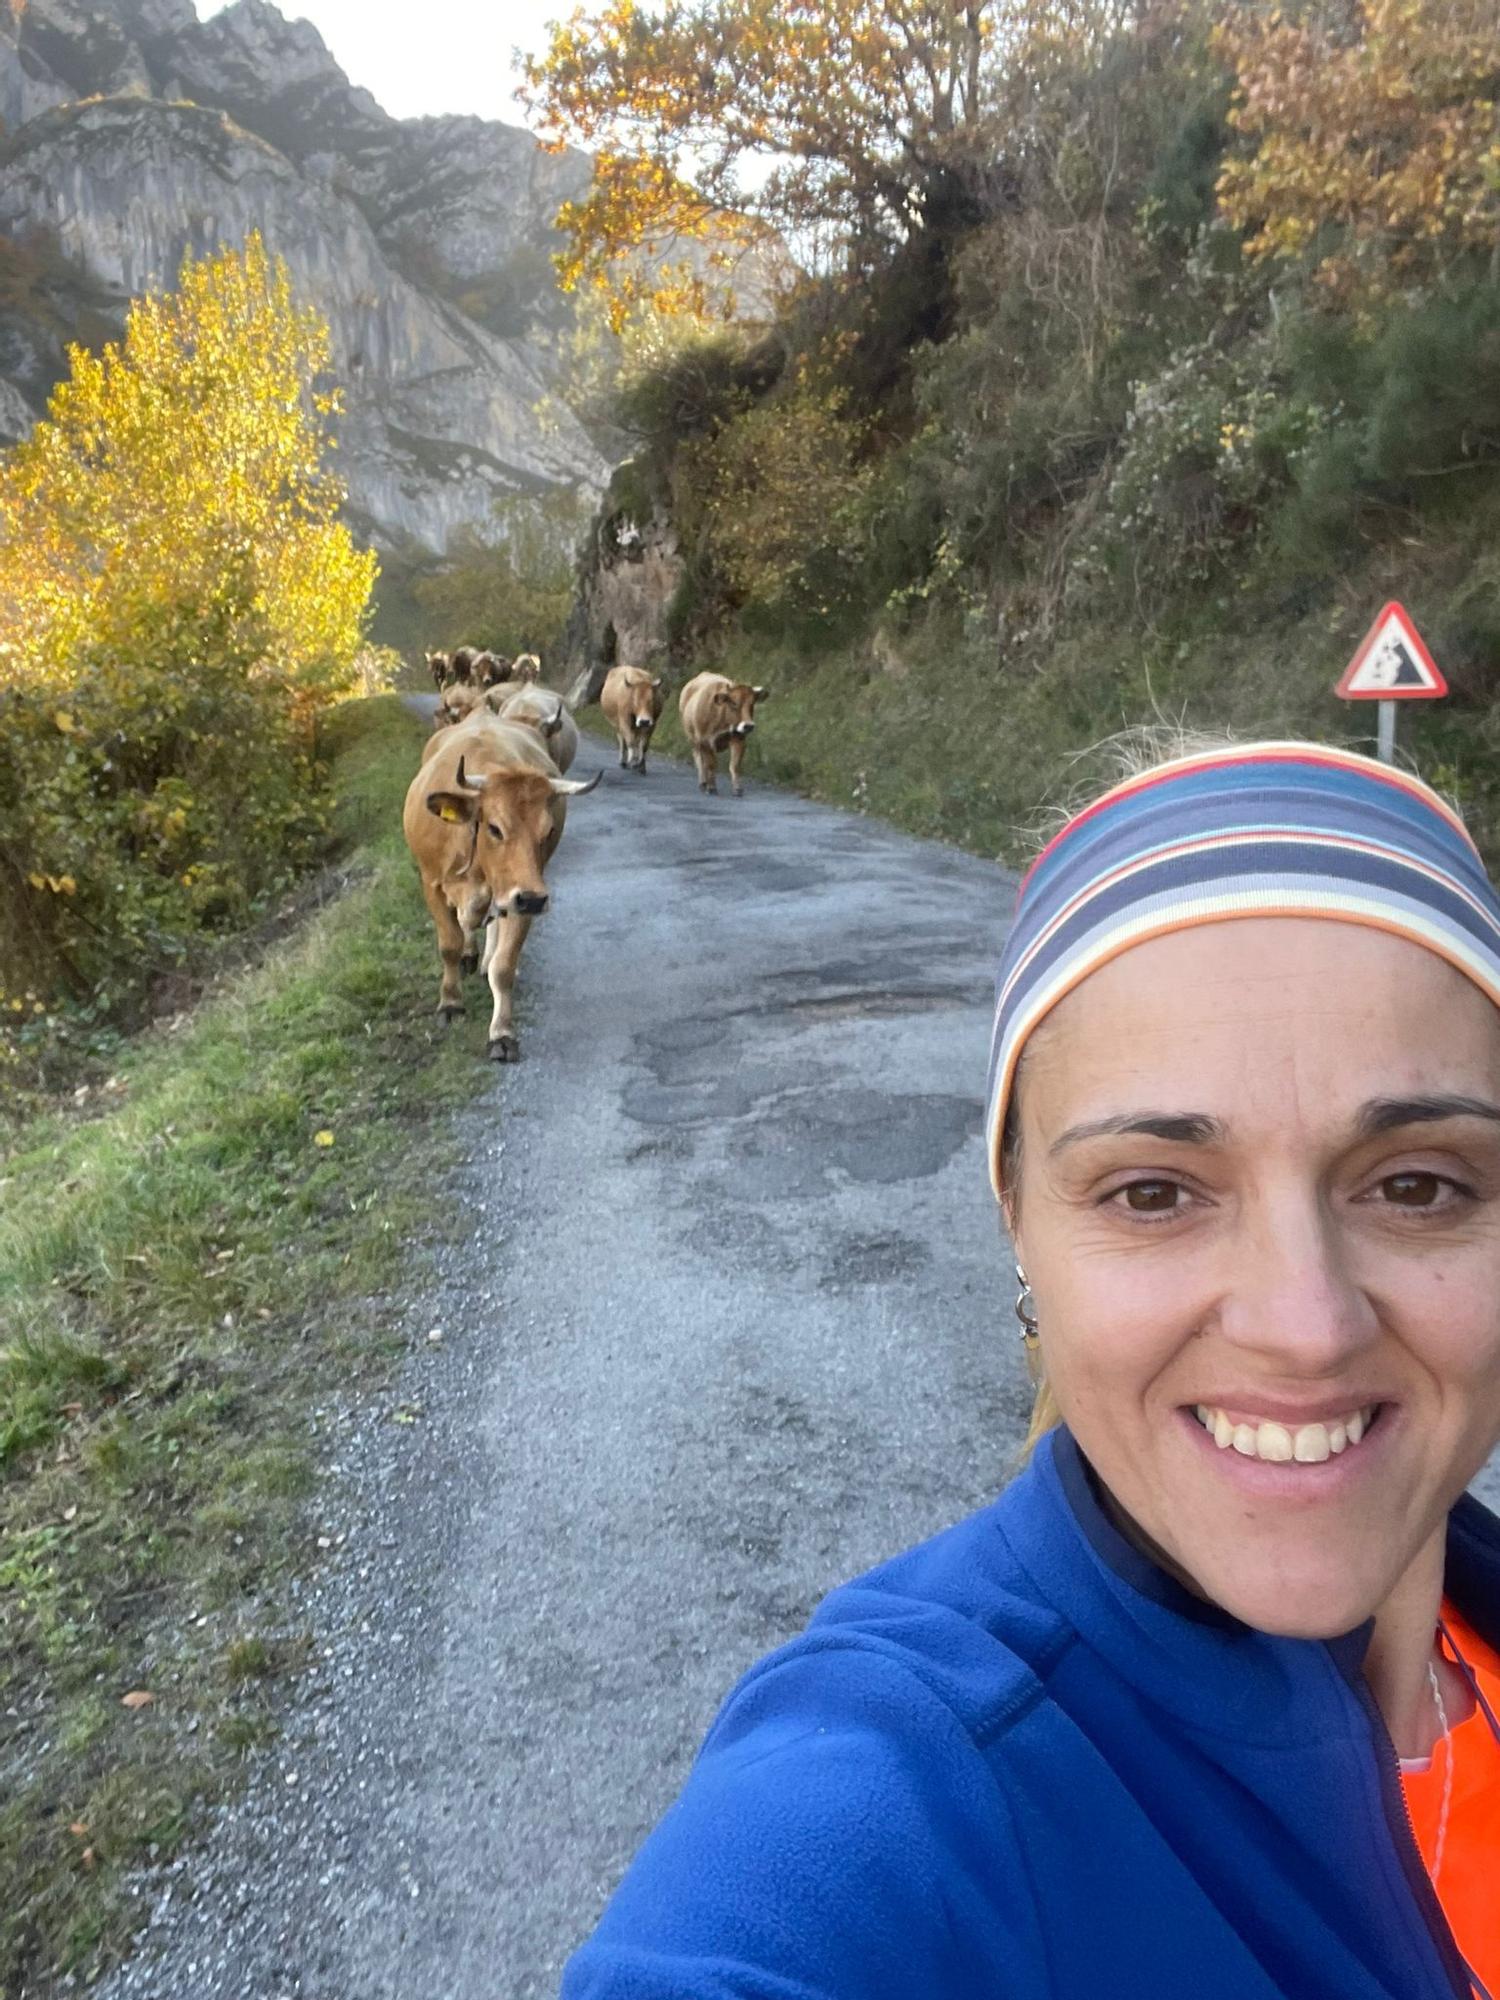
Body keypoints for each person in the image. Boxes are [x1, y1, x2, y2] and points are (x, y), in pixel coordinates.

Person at [561, 738, 1500, 2000]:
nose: (1308, 1323)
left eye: (1417, 1184)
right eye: (1156, 1191)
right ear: (1016, 1216)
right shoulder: (919, 1782)